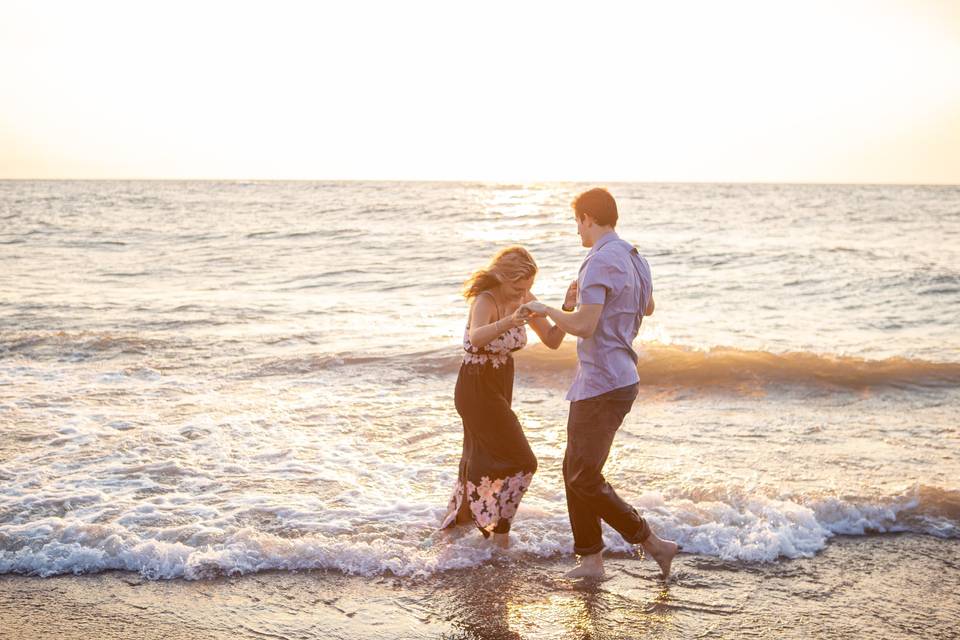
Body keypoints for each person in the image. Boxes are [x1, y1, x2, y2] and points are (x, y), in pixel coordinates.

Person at [522, 188, 679, 579]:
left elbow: (584, 327)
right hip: (620, 377)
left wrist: (546, 309)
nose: (577, 230)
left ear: (588, 218)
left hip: (602, 382)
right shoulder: (634, 257)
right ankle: (590, 560)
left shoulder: (597, 262)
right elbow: (648, 306)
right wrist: (583, 301)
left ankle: (653, 543)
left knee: (582, 476)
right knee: (575, 470)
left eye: (577, 221)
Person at [440, 246, 567, 548]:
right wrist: (511, 320)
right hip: (475, 388)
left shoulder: (523, 299)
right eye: (517, 287)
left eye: (528, 287)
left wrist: (567, 309)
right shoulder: (485, 300)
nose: (522, 293)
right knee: (523, 461)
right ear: (501, 277)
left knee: (478, 458)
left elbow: (551, 340)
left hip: (499, 386)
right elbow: (475, 338)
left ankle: (458, 527)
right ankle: (500, 537)